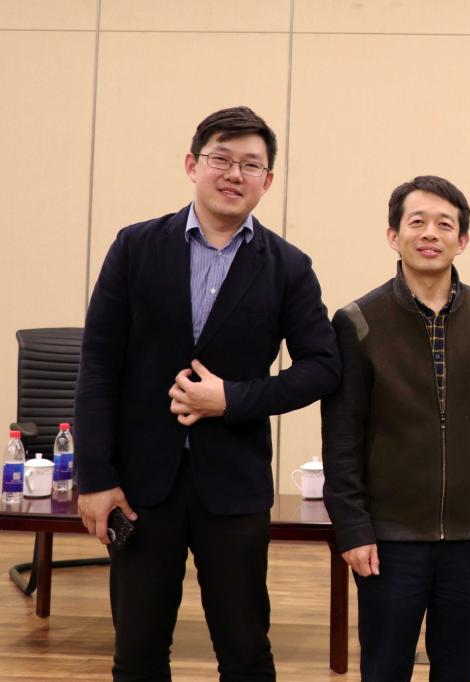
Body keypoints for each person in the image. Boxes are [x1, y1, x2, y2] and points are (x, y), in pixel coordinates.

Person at [74, 106, 341, 681]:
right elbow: (97, 364)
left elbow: (323, 368)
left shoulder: (288, 267)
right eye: (221, 158)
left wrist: (232, 400)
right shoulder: (135, 247)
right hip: (141, 486)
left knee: (245, 652)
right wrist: (94, 477)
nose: (234, 173)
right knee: (138, 652)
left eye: (251, 164)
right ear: (192, 165)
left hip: (234, 485)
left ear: (267, 180)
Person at [322, 175, 470, 681]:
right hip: (388, 537)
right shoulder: (358, 321)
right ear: (394, 235)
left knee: (459, 670)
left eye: (444, 224)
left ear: (463, 240)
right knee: (384, 668)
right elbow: (342, 438)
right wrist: (352, 527)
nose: (430, 233)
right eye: (417, 222)